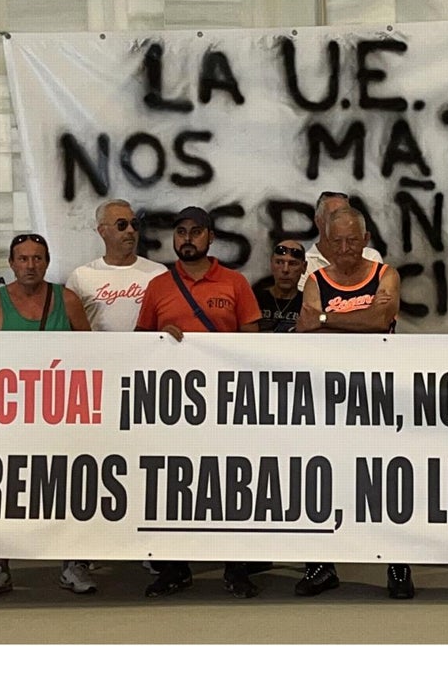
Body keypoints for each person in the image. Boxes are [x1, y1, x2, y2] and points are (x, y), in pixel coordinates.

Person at [134, 206, 263, 598]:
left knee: (231, 484)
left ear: (210, 237)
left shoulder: (235, 283)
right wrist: (161, 339)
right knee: (174, 484)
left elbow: (254, 341)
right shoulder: (158, 285)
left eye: (195, 232)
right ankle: (175, 567)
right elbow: (139, 342)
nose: (187, 238)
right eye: (181, 232)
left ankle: (236, 567)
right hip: (173, 408)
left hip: (226, 405)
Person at [295, 206, 411, 598]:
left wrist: (328, 320)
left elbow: (380, 321)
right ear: (325, 243)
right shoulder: (316, 278)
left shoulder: (385, 274)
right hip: (330, 396)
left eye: (351, 240)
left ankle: (397, 566)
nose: (344, 248)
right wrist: (355, 317)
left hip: (380, 395)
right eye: (336, 241)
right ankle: (320, 565)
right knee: (322, 479)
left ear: (365, 240)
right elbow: (304, 329)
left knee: (387, 482)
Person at [0, 232, 92, 600]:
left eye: (37, 258)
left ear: (47, 261)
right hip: (8, 416)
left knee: (66, 487)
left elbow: (93, 354)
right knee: (1, 491)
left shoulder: (66, 300)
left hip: (60, 414)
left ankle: (72, 563)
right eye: (22, 259)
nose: (30, 265)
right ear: (11, 263)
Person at [66, 199, 165, 332]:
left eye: (134, 224)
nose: (130, 230)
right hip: (99, 351)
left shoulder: (158, 273)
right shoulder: (80, 276)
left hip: (146, 351)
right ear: (102, 231)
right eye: (121, 224)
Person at [299, 191, 382, 291]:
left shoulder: (371, 257)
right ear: (318, 221)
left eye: (346, 213)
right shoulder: (305, 264)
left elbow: (382, 303)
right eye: (334, 215)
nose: (342, 221)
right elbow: (308, 305)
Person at [255, 239, 307, 331]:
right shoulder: (254, 300)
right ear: (271, 264)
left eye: (293, 263)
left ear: (304, 267)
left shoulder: (308, 304)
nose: (285, 270)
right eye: (279, 262)